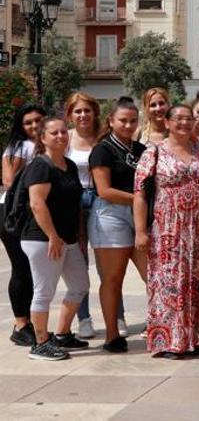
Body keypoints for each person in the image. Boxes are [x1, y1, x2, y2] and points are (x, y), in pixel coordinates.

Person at [134, 104, 199, 358]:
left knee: (196, 282)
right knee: (168, 283)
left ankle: (195, 338)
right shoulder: (154, 152)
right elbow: (140, 193)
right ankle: (170, 340)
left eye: (189, 119)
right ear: (167, 122)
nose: (184, 123)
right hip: (167, 228)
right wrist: (140, 230)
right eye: (178, 119)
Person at [19, 118, 88, 361]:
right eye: (54, 132)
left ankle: (61, 334)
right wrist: (52, 236)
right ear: (43, 138)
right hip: (43, 239)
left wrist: (77, 233)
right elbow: (37, 204)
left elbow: (74, 203)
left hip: (66, 238)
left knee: (80, 285)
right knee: (44, 291)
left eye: (63, 132)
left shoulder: (68, 165)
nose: (60, 136)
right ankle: (40, 343)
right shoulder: (40, 166)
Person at [88, 98, 148, 352]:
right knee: (113, 278)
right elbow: (104, 190)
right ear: (111, 121)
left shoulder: (141, 149)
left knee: (152, 275)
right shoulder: (102, 149)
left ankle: (161, 327)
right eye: (123, 120)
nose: (128, 125)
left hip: (139, 216)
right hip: (111, 215)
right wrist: (138, 199)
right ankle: (112, 335)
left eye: (133, 120)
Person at [2, 104, 45, 348]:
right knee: (21, 268)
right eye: (28, 123)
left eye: (38, 120)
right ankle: (20, 324)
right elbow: (9, 181)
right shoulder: (20, 147)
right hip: (12, 212)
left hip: (30, 213)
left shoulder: (42, 146)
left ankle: (27, 321)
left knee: (31, 269)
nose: (34, 126)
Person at [64, 93, 103, 340]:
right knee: (79, 265)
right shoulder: (63, 138)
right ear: (70, 114)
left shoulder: (103, 138)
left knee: (107, 263)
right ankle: (84, 318)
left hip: (101, 200)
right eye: (77, 111)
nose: (82, 115)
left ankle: (117, 315)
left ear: (94, 112)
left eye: (87, 110)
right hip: (73, 203)